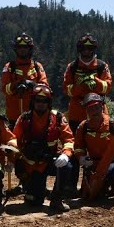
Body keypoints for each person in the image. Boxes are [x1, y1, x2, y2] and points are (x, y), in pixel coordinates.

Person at [11, 85, 74, 213]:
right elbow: (14, 140)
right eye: (37, 100)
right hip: (31, 164)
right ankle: (35, 189)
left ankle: (57, 199)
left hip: (49, 160)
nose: (40, 103)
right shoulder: (24, 118)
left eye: (44, 101)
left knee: (66, 166)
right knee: (34, 202)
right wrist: (13, 159)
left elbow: (69, 139)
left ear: (49, 102)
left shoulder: (58, 118)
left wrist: (66, 154)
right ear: (33, 101)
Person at [73, 93, 114, 203]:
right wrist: (81, 158)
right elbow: (78, 147)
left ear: (102, 107)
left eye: (97, 107)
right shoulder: (83, 127)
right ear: (86, 110)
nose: (94, 111)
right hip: (94, 164)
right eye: (90, 109)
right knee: (90, 195)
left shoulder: (113, 124)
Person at [63, 33, 113, 133]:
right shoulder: (72, 67)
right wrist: (80, 87)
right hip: (77, 112)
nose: (86, 51)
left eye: (89, 48)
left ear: (93, 49)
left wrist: (96, 82)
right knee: (76, 139)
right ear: (79, 49)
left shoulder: (102, 66)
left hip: (98, 111)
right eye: (84, 48)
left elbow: (107, 87)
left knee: (100, 139)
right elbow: (66, 89)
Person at [0, 33, 49, 122]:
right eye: (20, 47)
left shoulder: (37, 67)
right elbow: (4, 89)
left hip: (34, 115)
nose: (22, 50)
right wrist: (16, 85)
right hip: (14, 117)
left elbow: (45, 88)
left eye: (25, 47)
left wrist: (32, 85)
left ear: (30, 49)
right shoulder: (9, 67)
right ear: (16, 49)